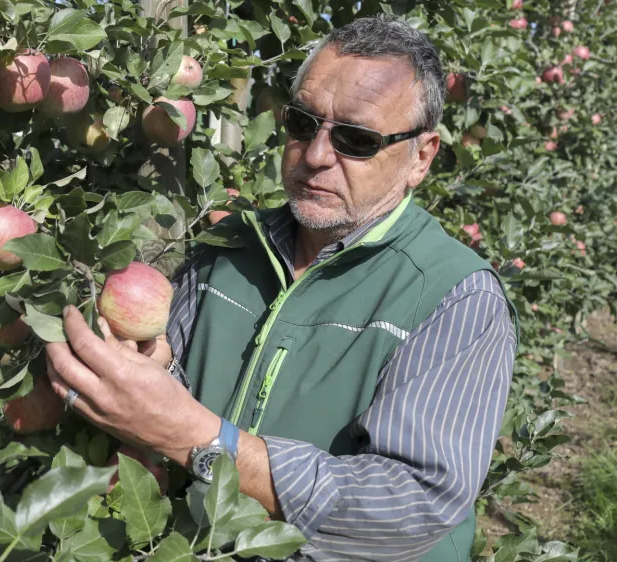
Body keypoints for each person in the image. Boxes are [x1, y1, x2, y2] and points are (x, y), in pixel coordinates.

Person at [44, 14, 516, 561]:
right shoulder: (230, 244)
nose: (315, 155)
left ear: (422, 158)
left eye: (356, 139)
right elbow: (172, 385)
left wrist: (195, 438)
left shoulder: (455, 297)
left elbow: (410, 507)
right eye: (301, 122)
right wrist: (153, 365)